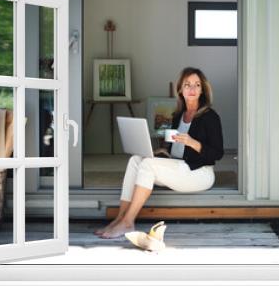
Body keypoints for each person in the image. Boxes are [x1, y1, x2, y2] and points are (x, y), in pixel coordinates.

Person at [94, 67, 224, 239]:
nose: (192, 89)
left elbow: (217, 153)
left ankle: (128, 222)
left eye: (197, 85)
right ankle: (120, 218)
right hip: (182, 167)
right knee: (136, 160)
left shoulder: (210, 116)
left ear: (202, 90)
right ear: (180, 89)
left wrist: (192, 143)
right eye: (187, 85)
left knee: (148, 165)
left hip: (200, 173)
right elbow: (178, 151)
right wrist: (162, 152)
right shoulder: (179, 115)